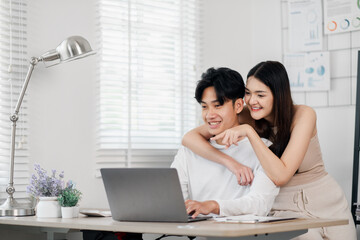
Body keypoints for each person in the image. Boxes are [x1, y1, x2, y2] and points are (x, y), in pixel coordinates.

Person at [182, 61, 356, 239]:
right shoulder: (245, 114)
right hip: (281, 208)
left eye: (260, 94)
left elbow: (282, 173)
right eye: (248, 93)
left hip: (324, 200)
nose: (252, 101)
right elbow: (189, 138)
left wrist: (249, 132)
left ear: (278, 95)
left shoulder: (303, 115)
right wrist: (230, 162)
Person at [171, 67, 279, 218]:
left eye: (218, 105)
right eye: (204, 107)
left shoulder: (264, 149)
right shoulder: (188, 151)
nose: (209, 115)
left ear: (238, 106)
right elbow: (172, 201)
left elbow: (259, 204)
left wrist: (213, 206)